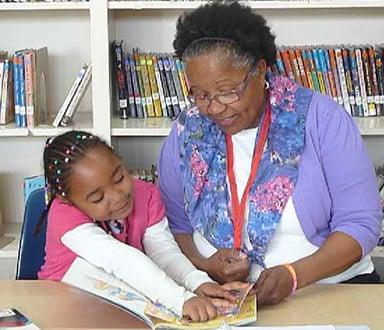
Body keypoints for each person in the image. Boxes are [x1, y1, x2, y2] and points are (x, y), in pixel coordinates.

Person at [157, 1, 383, 306]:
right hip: (224, 299)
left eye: (227, 91)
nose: (213, 107)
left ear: (260, 70)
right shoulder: (187, 131)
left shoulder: (322, 120)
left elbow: (361, 224)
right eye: (200, 94)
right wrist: (202, 265)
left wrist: (293, 275)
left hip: (327, 290)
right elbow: (174, 226)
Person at [37, 130, 241, 322]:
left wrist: (197, 282)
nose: (118, 196)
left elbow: (164, 253)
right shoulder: (63, 215)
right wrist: (180, 300)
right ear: (70, 201)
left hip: (123, 307)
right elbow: (119, 259)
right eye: (98, 198)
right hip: (63, 307)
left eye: (119, 178)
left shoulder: (147, 195)